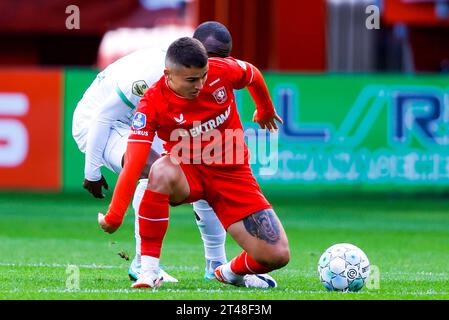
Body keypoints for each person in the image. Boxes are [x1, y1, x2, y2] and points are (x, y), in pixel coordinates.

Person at [73, 21, 276, 287]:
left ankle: (215, 263)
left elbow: (251, 76)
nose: (216, 65)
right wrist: (92, 171)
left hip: (146, 119)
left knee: (204, 163)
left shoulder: (205, 74)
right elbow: (102, 117)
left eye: (222, 58)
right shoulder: (152, 74)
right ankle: (143, 264)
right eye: (211, 57)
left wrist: (264, 109)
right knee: (152, 168)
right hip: (104, 125)